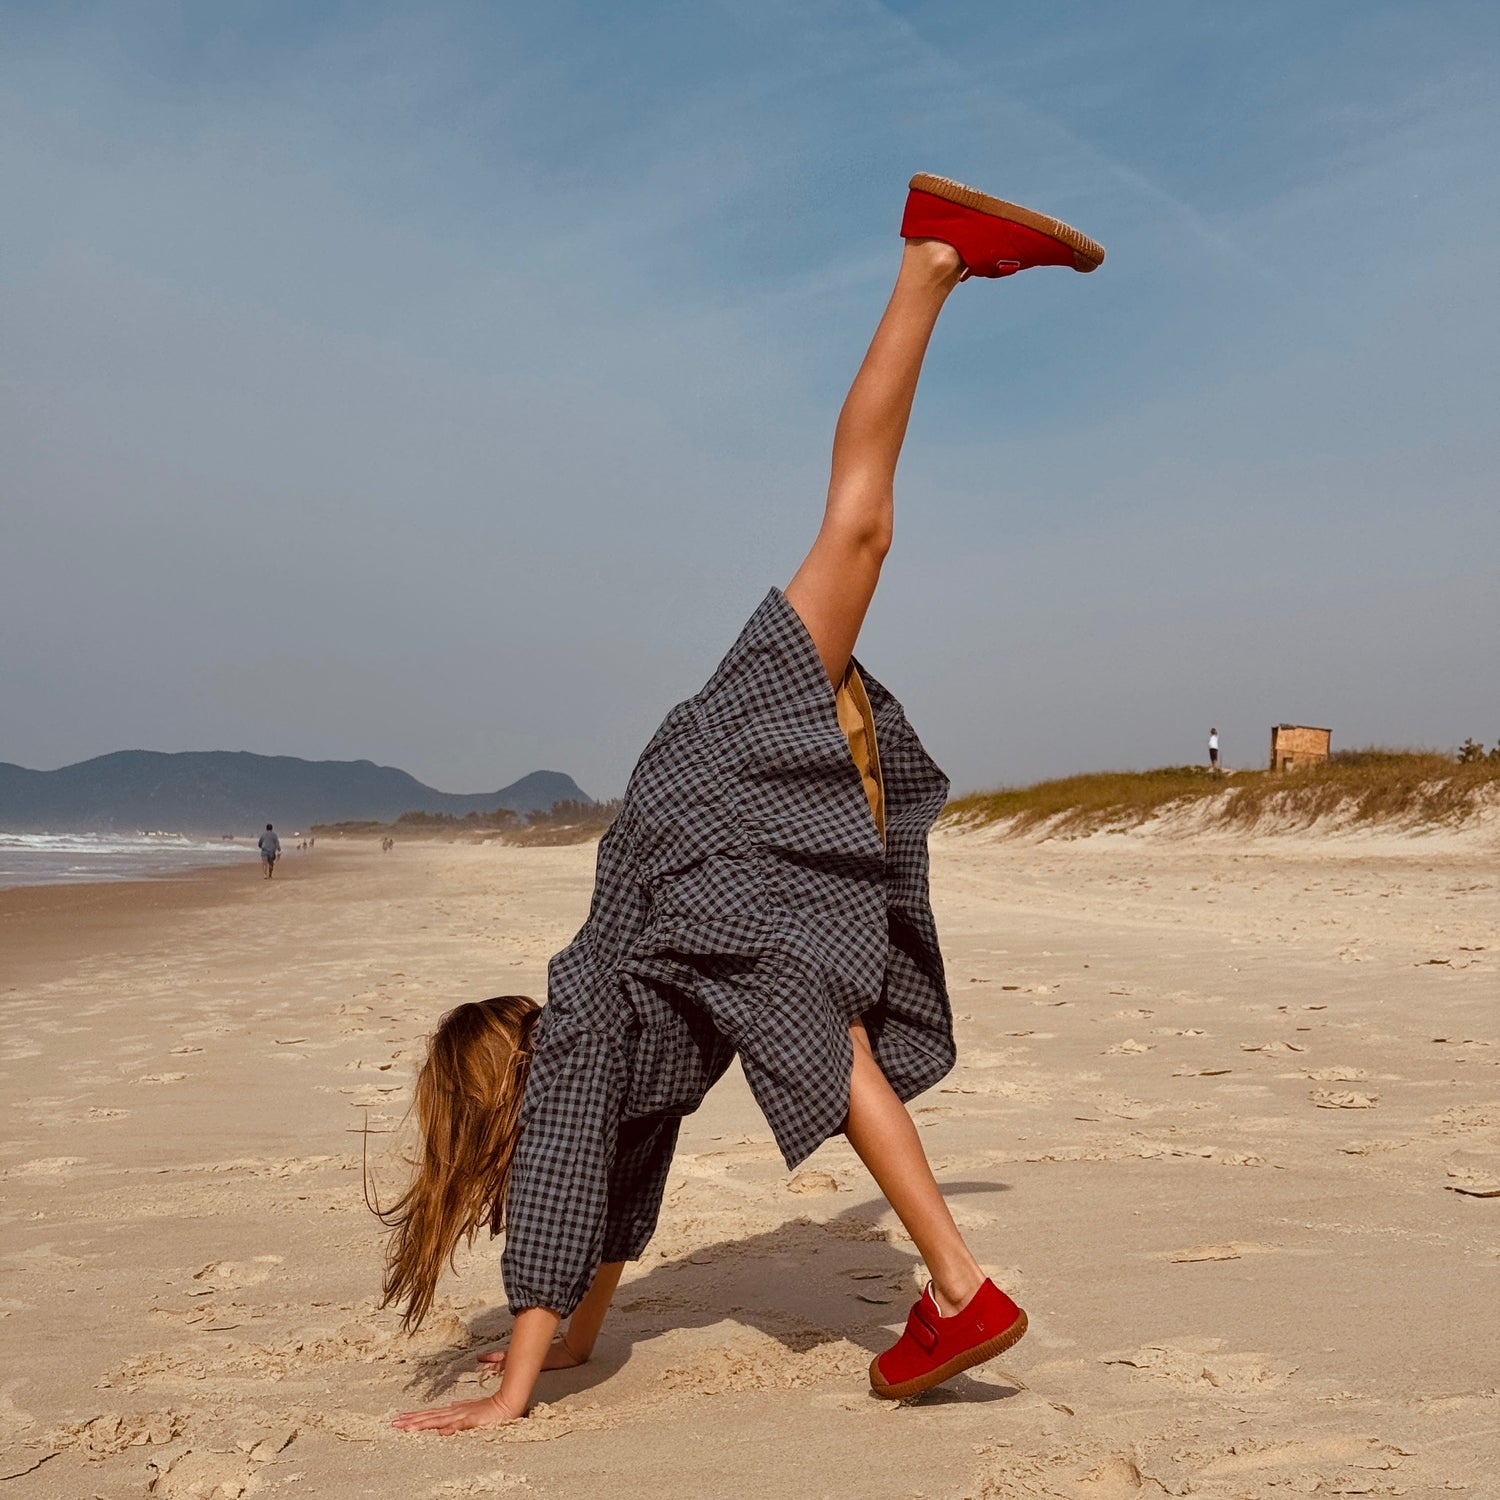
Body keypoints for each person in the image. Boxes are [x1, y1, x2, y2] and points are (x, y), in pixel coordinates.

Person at [382, 174, 1105, 1435]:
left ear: (503, 1090)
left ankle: (929, 261)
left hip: (702, 801)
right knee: (819, 1022)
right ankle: (958, 1284)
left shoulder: (581, 1027)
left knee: (857, 531)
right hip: (709, 839)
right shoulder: (630, 1066)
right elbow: (609, 1206)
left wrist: (512, 1390)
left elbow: (556, 1193)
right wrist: (578, 1339)